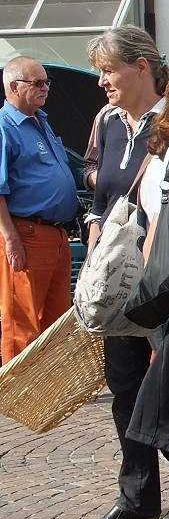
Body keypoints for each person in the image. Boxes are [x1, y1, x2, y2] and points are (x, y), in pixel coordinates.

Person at [79, 29, 169, 519]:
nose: (101, 81)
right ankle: (138, 498)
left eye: (108, 70)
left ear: (140, 67)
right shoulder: (109, 123)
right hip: (117, 280)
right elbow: (101, 200)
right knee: (125, 390)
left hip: (161, 277)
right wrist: (94, 254)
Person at [0, 56, 79, 363]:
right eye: (37, 83)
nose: (46, 88)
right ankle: (16, 393)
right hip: (27, 234)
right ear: (13, 86)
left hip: (56, 235)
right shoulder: (5, 127)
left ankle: (45, 388)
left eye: (47, 82)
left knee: (55, 319)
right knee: (22, 321)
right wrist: (11, 239)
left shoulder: (40, 121)